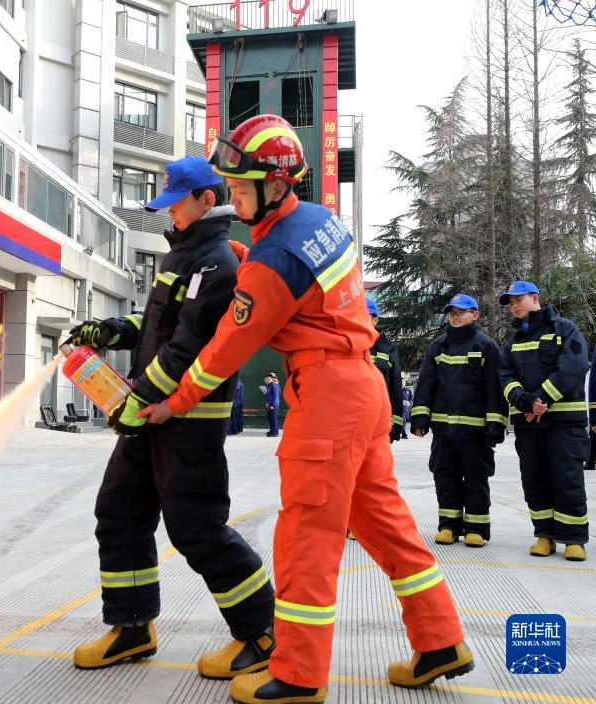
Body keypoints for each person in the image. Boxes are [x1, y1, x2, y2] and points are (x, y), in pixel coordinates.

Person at [138, 114, 471, 704]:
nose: (234, 198)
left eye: (241, 190)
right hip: (363, 387)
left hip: (326, 398)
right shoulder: (320, 221)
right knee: (388, 528)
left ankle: (297, 673)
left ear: (276, 184)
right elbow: (298, 276)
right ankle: (442, 640)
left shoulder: (268, 267)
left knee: (305, 537)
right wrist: (252, 252)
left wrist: (176, 401)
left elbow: (225, 350)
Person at [66, 156, 276, 679]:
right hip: (149, 415)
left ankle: (262, 631)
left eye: (176, 204)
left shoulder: (216, 263)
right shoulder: (183, 255)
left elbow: (188, 344)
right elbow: (158, 322)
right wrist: (114, 330)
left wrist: (138, 399)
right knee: (119, 512)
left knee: (197, 529)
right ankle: (132, 628)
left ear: (207, 200)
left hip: (187, 421)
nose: (170, 214)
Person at [498, 281, 589, 562]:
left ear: (535, 298)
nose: (513, 305)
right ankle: (544, 536)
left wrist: (541, 400)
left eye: (518, 299)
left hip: (564, 423)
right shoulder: (512, 343)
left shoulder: (565, 329)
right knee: (534, 480)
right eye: (510, 302)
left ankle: (573, 539)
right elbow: (504, 377)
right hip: (529, 424)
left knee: (568, 480)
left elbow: (574, 366)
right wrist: (526, 402)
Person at [410, 294, 506, 548]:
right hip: (443, 430)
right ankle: (449, 527)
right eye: (452, 312)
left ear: (475, 315)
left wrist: (496, 423)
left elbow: (495, 389)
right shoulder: (437, 347)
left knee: (476, 478)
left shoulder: (486, 346)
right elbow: (426, 384)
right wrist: (420, 415)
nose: (455, 316)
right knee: (445, 477)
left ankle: (476, 529)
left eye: (461, 312)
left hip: (475, 431)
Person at [366, 299, 404, 443]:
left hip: (379, 425)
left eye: (363, 315)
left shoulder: (387, 350)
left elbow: (395, 389)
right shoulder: (343, 344)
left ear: (375, 320)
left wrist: (396, 425)